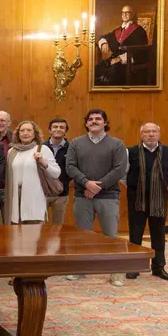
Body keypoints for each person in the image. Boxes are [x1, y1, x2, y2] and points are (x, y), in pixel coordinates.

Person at [66, 109, 127, 286]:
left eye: (98, 119)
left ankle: (115, 273)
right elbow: (70, 166)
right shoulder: (76, 143)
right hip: (82, 195)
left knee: (110, 235)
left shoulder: (117, 144)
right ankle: (80, 270)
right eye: (90, 119)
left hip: (108, 196)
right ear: (86, 123)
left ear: (105, 122)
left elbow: (119, 169)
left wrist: (97, 187)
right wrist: (86, 183)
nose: (94, 121)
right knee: (82, 236)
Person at [124, 123, 168, 281]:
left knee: (159, 234)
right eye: (147, 132)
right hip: (137, 198)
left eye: (154, 131)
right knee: (135, 234)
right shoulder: (130, 151)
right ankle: (134, 267)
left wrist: (156, 188)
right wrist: (136, 188)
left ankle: (159, 268)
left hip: (159, 199)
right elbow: (123, 174)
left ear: (159, 134)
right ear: (141, 134)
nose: (151, 134)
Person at [4, 121, 60, 224]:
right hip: (15, 196)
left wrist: (43, 162)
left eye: (29, 130)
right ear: (18, 134)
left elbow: (56, 173)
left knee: (34, 234)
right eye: (22, 131)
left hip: (34, 197)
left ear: (35, 134)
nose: (25, 133)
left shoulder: (42, 149)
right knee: (15, 233)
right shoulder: (11, 151)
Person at [95, 5, 150, 86]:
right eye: (123, 13)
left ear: (132, 14)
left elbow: (140, 52)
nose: (124, 15)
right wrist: (104, 43)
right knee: (96, 70)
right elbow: (103, 37)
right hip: (113, 61)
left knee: (112, 74)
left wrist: (120, 59)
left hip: (127, 64)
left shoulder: (139, 31)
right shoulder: (117, 30)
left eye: (127, 12)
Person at [43, 118, 71, 224]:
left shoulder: (72, 148)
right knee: (39, 226)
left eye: (61, 127)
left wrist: (64, 182)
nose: (58, 129)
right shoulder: (41, 147)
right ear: (49, 130)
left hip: (61, 193)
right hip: (42, 193)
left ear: (65, 131)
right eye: (55, 127)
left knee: (58, 227)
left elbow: (72, 169)